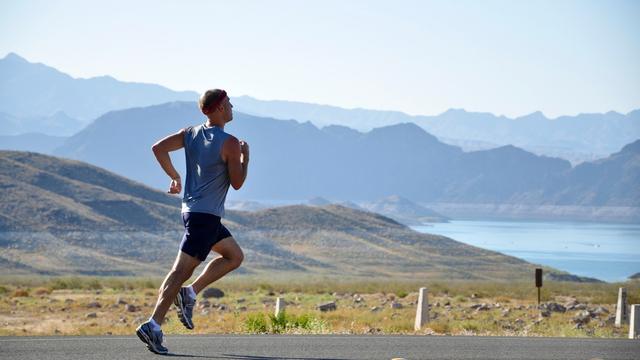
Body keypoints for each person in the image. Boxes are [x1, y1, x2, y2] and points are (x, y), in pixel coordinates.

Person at [136, 89, 249, 354]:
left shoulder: (190, 133)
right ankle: (153, 325)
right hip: (205, 218)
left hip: (194, 213)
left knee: (234, 256)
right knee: (179, 272)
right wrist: (246, 157)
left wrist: (174, 176)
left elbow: (158, 148)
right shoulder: (230, 143)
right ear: (220, 107)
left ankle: (190, 293)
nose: (232, 108)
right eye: (230, 104)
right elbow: (237, 182)